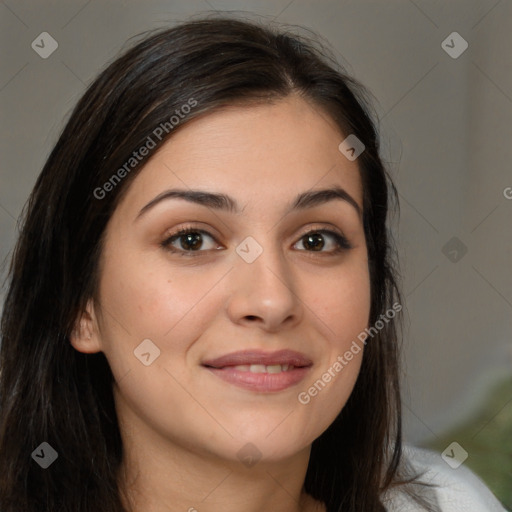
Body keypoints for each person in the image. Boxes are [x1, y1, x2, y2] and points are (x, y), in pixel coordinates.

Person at [0, 15, 506, 512]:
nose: (271, 300)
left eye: (316, 240)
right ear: (79, 304)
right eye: (193, 239)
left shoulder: (450, 503)